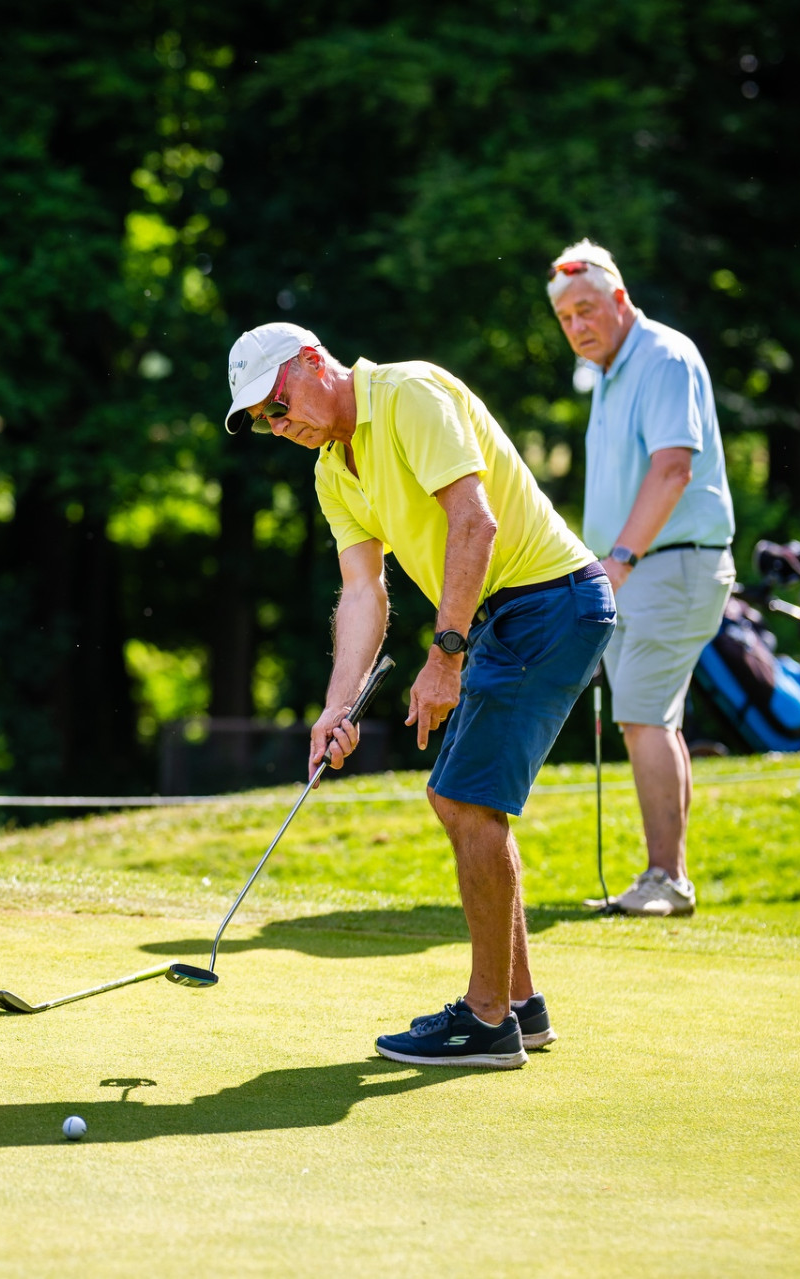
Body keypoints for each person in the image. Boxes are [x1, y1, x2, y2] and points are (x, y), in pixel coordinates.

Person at [222, 322, 614, 1069]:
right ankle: (520, 1007)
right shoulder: (333, 470)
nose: (280, 424)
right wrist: (337, 706)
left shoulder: (408, 394)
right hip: (505, 615)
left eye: (279, 402)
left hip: (549, 600)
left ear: (313, 361)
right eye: (266, 420)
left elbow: (475, 522)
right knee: (458, 798)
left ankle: (487, 1021)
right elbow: (362, 591)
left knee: (465, 798)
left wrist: (446, 657)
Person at [548, 241, 735, 918]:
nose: (577, 326)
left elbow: (673, 468)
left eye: (587, 309)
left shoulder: (661, 356)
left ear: (621, 300)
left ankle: (668, 880)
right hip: (635, 568)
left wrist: (620, 559)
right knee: (654, 719)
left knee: (641, 716)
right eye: (566, 318)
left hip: (668, 562)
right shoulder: (607, 373)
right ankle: (667, 876)